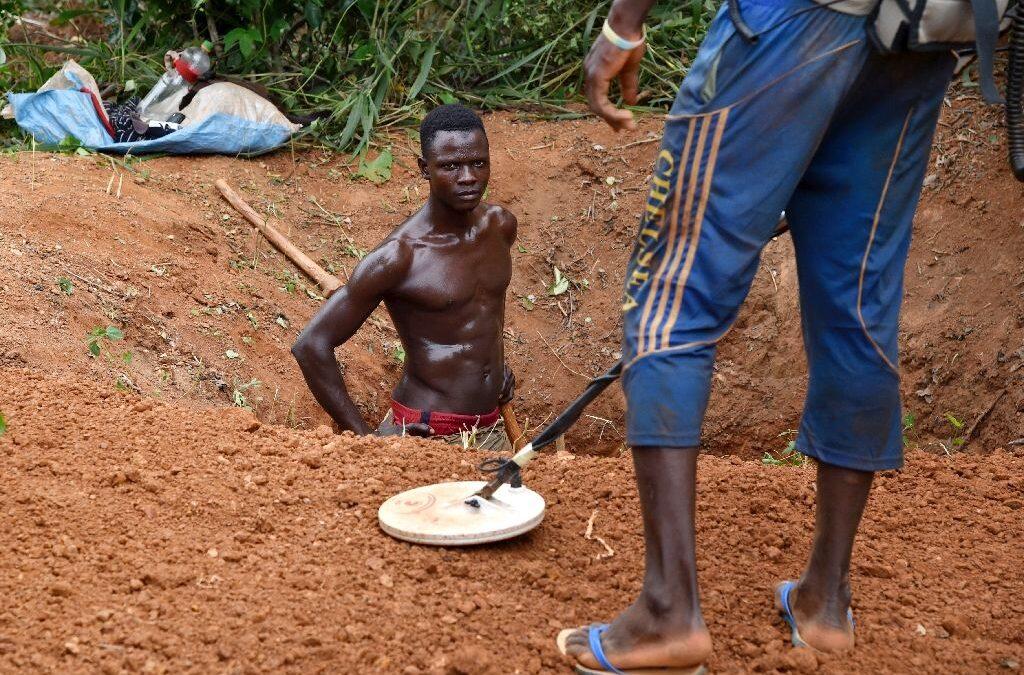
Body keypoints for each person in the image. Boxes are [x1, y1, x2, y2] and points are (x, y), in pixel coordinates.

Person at [558, 0, 956, 671]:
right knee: (859, 303)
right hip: (919, 31)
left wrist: (623, 22)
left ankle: (667, 609)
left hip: (790, 21)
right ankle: (825, 603)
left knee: (671, 295)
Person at [291, 104, 518, 451]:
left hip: (492, 429)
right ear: (425, 169)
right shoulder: (401, 257)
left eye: (479, 163)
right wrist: (366, 439)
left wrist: (494, 368)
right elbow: (311, 346)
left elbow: (480, 317)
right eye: (451, 166)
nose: (468, 176)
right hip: (427, 435)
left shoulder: (500, 226)